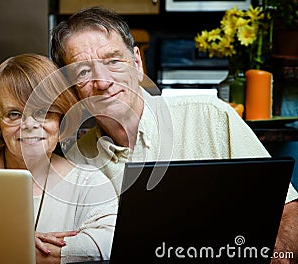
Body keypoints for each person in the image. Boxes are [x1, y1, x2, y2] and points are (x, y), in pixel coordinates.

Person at [50, 6, 298, 263]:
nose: (102, 82)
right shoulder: (76, 162)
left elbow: (289, 208)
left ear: (136, 62)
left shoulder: (210, 115)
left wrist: (278, 249)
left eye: (113, 61)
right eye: (83, 73)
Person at [0, 53, 118, 264]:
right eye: (13, 114)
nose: (29, 124)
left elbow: (111, 241)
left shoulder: (88, 181)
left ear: (61, 119)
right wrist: (16, 242)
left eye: (43, 111)